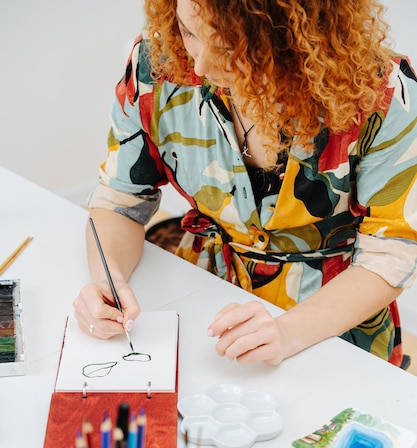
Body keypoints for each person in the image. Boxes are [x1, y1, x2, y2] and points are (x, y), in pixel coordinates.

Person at [73, 0, 417, 368]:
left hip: (334, 322)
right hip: (202, 302)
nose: (200, 66)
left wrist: (287, 332)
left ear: (289, 38)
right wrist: (108, 277)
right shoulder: (158, 63)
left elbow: (390, 254)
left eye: (226, 48)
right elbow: (121, 200)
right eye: (190, 32)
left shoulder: (382, 93)